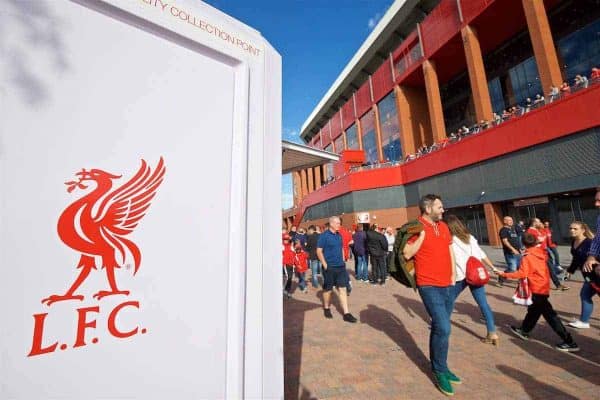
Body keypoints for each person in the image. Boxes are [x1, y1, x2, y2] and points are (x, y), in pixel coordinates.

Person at [403, 194, 459, 396]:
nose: (443, 210)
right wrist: (422, 238)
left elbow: (450, 250)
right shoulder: (415, 227)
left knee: (439, 327)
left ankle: (441, 365)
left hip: (447, 284)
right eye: (439, 207)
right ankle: (440, 371)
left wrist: (453, 274)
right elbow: (408, 253)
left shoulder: (443, 227)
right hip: (428, 284)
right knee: (444, 327)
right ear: (428, 209)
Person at [496, 233, 579, 352]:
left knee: (550, 316)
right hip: (543, 286)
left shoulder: (528, 256)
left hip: (536, 288)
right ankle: (524, 330)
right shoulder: (540, 253)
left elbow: (521, 274)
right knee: (534, 310)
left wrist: (503, 274)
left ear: (523, 243)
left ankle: (569, 341)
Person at [446, 215, 498, 345]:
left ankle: (443, 325)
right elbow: (481, 253)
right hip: (475, 274)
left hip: (461, 275)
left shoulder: (450, 240)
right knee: (483, 304)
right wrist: (493, 267)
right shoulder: (470, 237)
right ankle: (492, 332)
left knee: (448, 300)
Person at [317, 216, 357, 323]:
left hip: (340, 267)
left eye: (339, 223)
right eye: (338, 223)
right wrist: (325, 265)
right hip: (329, 267)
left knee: (343, 289)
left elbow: (341, 248)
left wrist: (343, 259)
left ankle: (346, 313)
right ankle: (326, 307)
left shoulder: (339, 235)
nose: (340, 225)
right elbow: (319, 251)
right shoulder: (324, 236)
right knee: (328, 290)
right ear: (331, 224)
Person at [565, 221, 595, 329]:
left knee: (585, 295)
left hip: (596, 275)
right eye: (570, 228)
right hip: (589, 276)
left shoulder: (590, 243)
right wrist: (570, 272)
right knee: (585, 295)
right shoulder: (574, 242)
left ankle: (584, 321)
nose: (572, 230)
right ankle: (584, 321)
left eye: (575, 229)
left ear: (583, 230)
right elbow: (576, 259)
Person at [526, 218, 568, 290]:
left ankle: (558, 285)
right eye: (538, 221)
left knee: (550, 269)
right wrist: (538, 241)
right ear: (534, 223)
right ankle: (526, 284)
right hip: (537, 254)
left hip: (544, 252)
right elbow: (528, 243)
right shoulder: (529, 231)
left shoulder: (537, 230)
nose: (540, 222)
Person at [498, 216, 522, 286]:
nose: (511, 221)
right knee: (512, 269)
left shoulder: (513, 229)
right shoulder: (503, 230)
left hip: (518, 252)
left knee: (520, 268)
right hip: (510, 253)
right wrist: (513, 249)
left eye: (512, 220)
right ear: (505, 221)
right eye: (509, 220)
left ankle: (521, 282)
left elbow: (516, 239)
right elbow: (505, 241)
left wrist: (520, 248)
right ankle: (502, 276)